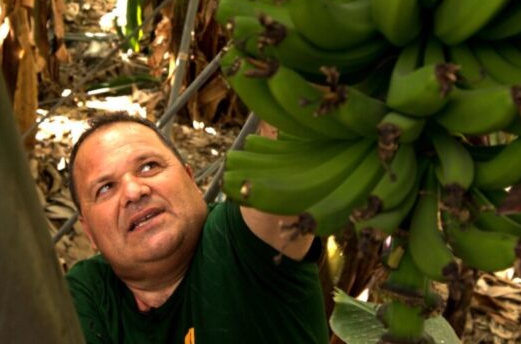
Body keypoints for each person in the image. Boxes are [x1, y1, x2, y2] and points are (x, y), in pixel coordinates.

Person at [64, 112, 329, 343]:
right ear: (89, 233)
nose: (134, 191)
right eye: (106, 188)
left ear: (191, 179)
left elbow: (291, 145)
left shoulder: (239, 241)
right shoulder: (88, 294)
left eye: (149, 166)